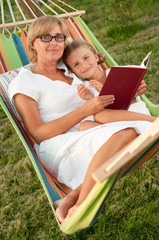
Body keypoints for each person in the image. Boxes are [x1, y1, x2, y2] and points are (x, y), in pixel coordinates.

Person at [8, 15, 156, 225]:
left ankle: (71, 198)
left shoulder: (70, 69)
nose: (54, 42)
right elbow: (38, 134)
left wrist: (131, 91)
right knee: (130, 133)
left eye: (59, 37)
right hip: (60, 142)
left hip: (94, 126)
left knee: (147, 138)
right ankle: (82, 204)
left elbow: (102, 89)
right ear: (32, 43)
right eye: (46, 37)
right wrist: (85, 110)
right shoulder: (24, 82)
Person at [63, 39, 151, 130]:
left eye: (86, 58)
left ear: (96, 57)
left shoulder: (116, 73)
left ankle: (154, 121)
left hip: (135, 113)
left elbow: (128, 100)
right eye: (76, 64)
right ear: (73, 71)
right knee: (87, 123)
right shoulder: (84, 88)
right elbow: (96, 112)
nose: (83, 65)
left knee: (101, 115)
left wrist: (138, 88)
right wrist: (91, 98)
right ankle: (127, 134)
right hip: (115, 125)